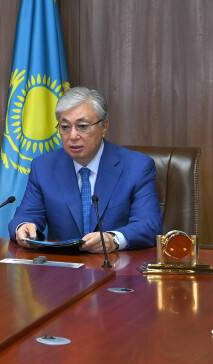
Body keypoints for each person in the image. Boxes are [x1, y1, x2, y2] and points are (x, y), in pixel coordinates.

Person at [8, 86, 161, 252]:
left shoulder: (137, 167)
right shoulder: (44, 167)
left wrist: (113, 239)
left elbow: (149, 224)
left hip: (116, 263)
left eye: (82, 126)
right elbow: (26, 215)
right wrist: (23, 226)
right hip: (63, 265)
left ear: (104, 126)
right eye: (65, 127)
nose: (73, 136)